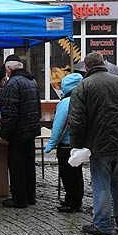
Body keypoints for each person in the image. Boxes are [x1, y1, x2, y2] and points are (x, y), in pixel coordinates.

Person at [69, 52, 118, 235]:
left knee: (101, 185)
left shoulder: (83, 86)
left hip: (98, 146)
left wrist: (76, 146)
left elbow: (77, 121)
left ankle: (102, 224)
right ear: (103, 63)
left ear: (86, 67)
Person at [0, 54, 41, 208]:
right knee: (29, 165)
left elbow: (9, 113)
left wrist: (4, 134)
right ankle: (31, 196)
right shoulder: (32, 81)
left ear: (9, 68)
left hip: (18, 132)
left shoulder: (12, 84)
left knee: (17, 166)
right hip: (31, 130)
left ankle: (19, 199)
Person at [44, 73, 84, 213]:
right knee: (77, 175)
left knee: (68, 176)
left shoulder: (66, 102)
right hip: (79, 144)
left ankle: (70, 202)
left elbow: (59, 125)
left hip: (66, 145)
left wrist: (50, 145)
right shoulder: (82, 99)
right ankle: (76, 201)